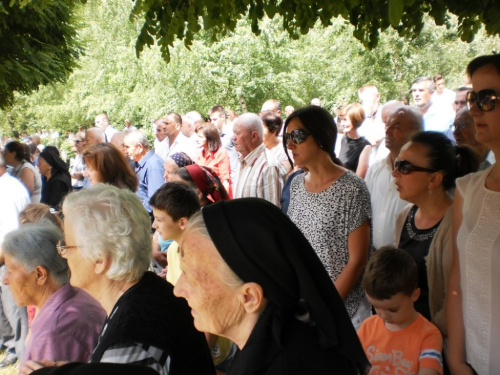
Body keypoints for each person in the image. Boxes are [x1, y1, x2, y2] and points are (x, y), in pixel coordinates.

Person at [21, 184, 215, 375]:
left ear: (99, 260)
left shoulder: (129, 341)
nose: (63, 255)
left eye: (67, 245)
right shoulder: (149, 290)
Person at [173, 198, 370, 374]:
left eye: (191, 278)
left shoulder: (294, 364)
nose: (178, 290)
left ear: (249, 297)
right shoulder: (282, 339)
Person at [285, 105, 373, 329]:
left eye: (297, 135)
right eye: (287, 136)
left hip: (343, 313)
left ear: (322, 135)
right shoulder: (296, 184)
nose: (290, 144)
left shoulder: (352, 188)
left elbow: (357, 261)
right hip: (306, 309)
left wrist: (323, 309)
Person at [446, 54, 500, 375]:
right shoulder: (467, 190)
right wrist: (456, 359)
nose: (473, 109)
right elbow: (457, 281)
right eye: (472, 98)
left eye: (487, 98)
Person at [393, 131, 479, 324]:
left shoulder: (459, 224)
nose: (394, 173)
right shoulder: (404, 216)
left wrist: (422, 334)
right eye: (396, 164)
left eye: (405, 167)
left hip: (438, 342)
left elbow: (458, 300)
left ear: (434, 179)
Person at [2, 223, 106, 366]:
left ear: (39, 274)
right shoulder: (78, 298)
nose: (5, 280)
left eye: (10, 271)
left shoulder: (54, 334)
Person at [358, 247, 443, 375]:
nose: (383, 315)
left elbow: (429, 370)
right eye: (376, 307)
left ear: (415, 295)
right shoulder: (366, 327)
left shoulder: (429, 335)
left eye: (393, 309)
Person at [365, 105, 423, 250]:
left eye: (396, 126)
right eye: (387, 125)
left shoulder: (423, 173)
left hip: (409, 262)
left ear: (416, 132)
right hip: (376, 259)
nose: (387, 131)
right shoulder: (375, 170)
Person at [0, 153, 30, 368]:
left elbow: (9, 234)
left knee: (14, 308)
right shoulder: (8, 185)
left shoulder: (7, 189)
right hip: (9, 255)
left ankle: (20, 352)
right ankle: (11, 344)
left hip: (10, 257)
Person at [232, 113, 286, 206]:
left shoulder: (269, 166)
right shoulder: (243, 161)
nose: (233, 138)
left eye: (237, 133)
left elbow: (272, 213)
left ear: (254, 136)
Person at [124, 130, 164, 215]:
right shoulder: (140, 163)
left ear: (140, 147)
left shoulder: (153, 165)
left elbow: (155, 202)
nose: (125, 151)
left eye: (127, 147)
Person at [338, 103, 371, 178]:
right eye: (341, 120)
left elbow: (359, 178)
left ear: (355, 120)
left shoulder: (365, 146)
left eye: (345, 120)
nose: (342, 123)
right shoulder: (343, 139)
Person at [196, 123, 231, 192]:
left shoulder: (221, 153)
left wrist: (223, 201)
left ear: (209, 138)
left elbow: (225, 181)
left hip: (218, 196)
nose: (197, 139)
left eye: (200, 137)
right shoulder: (200, 154)